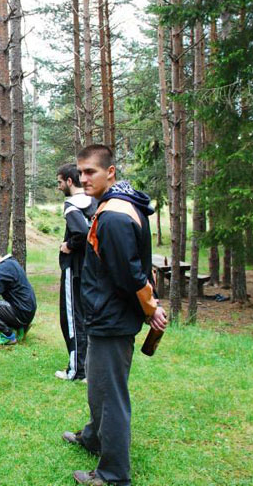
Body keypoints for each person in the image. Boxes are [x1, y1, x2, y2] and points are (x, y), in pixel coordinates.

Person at [64, 145, 167, 486]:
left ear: (110, 172)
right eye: (80, 172)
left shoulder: (113, 216)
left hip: (112, 319)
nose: (83, 178)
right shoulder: (118, 202)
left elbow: (131, 275)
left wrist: (151, 309)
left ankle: (112, 475)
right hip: (105, 315)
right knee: (98, 386)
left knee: (110, 396)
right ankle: (93, 438)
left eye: (90, 171)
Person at [55, 163, 97, 382]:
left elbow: (82, 232)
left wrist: (69, 245)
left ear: (70, 182)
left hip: (75, 269)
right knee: (88, 317)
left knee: (72, 318)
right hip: (91, 269)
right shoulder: (94, 201)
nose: (59, 186)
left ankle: (77, 371)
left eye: (60, 182)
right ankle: (89, 367)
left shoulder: (71, 204)